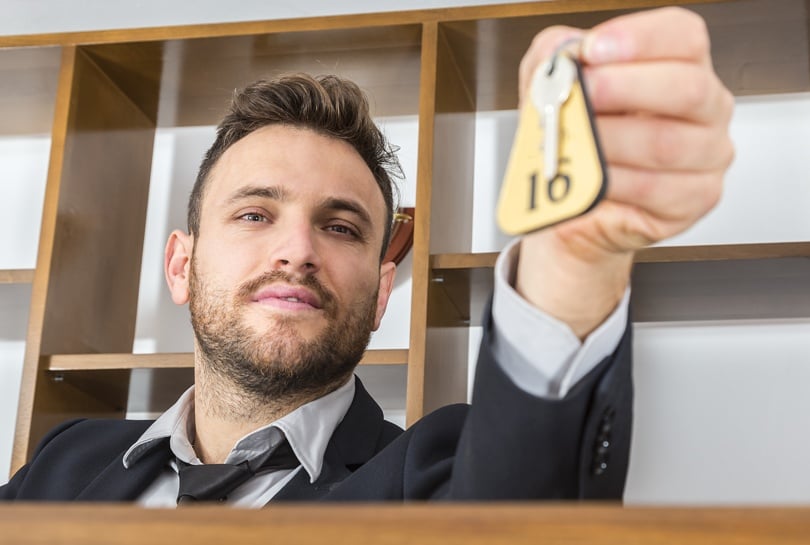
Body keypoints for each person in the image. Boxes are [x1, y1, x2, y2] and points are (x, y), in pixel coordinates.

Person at [1, 7, 733, 504]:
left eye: (342, 227)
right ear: (180, 265)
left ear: (385, 290)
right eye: (256, 213)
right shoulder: (65, 460)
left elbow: (524, 503)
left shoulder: (434, 475)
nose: (297, 251)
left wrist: (573, 259)